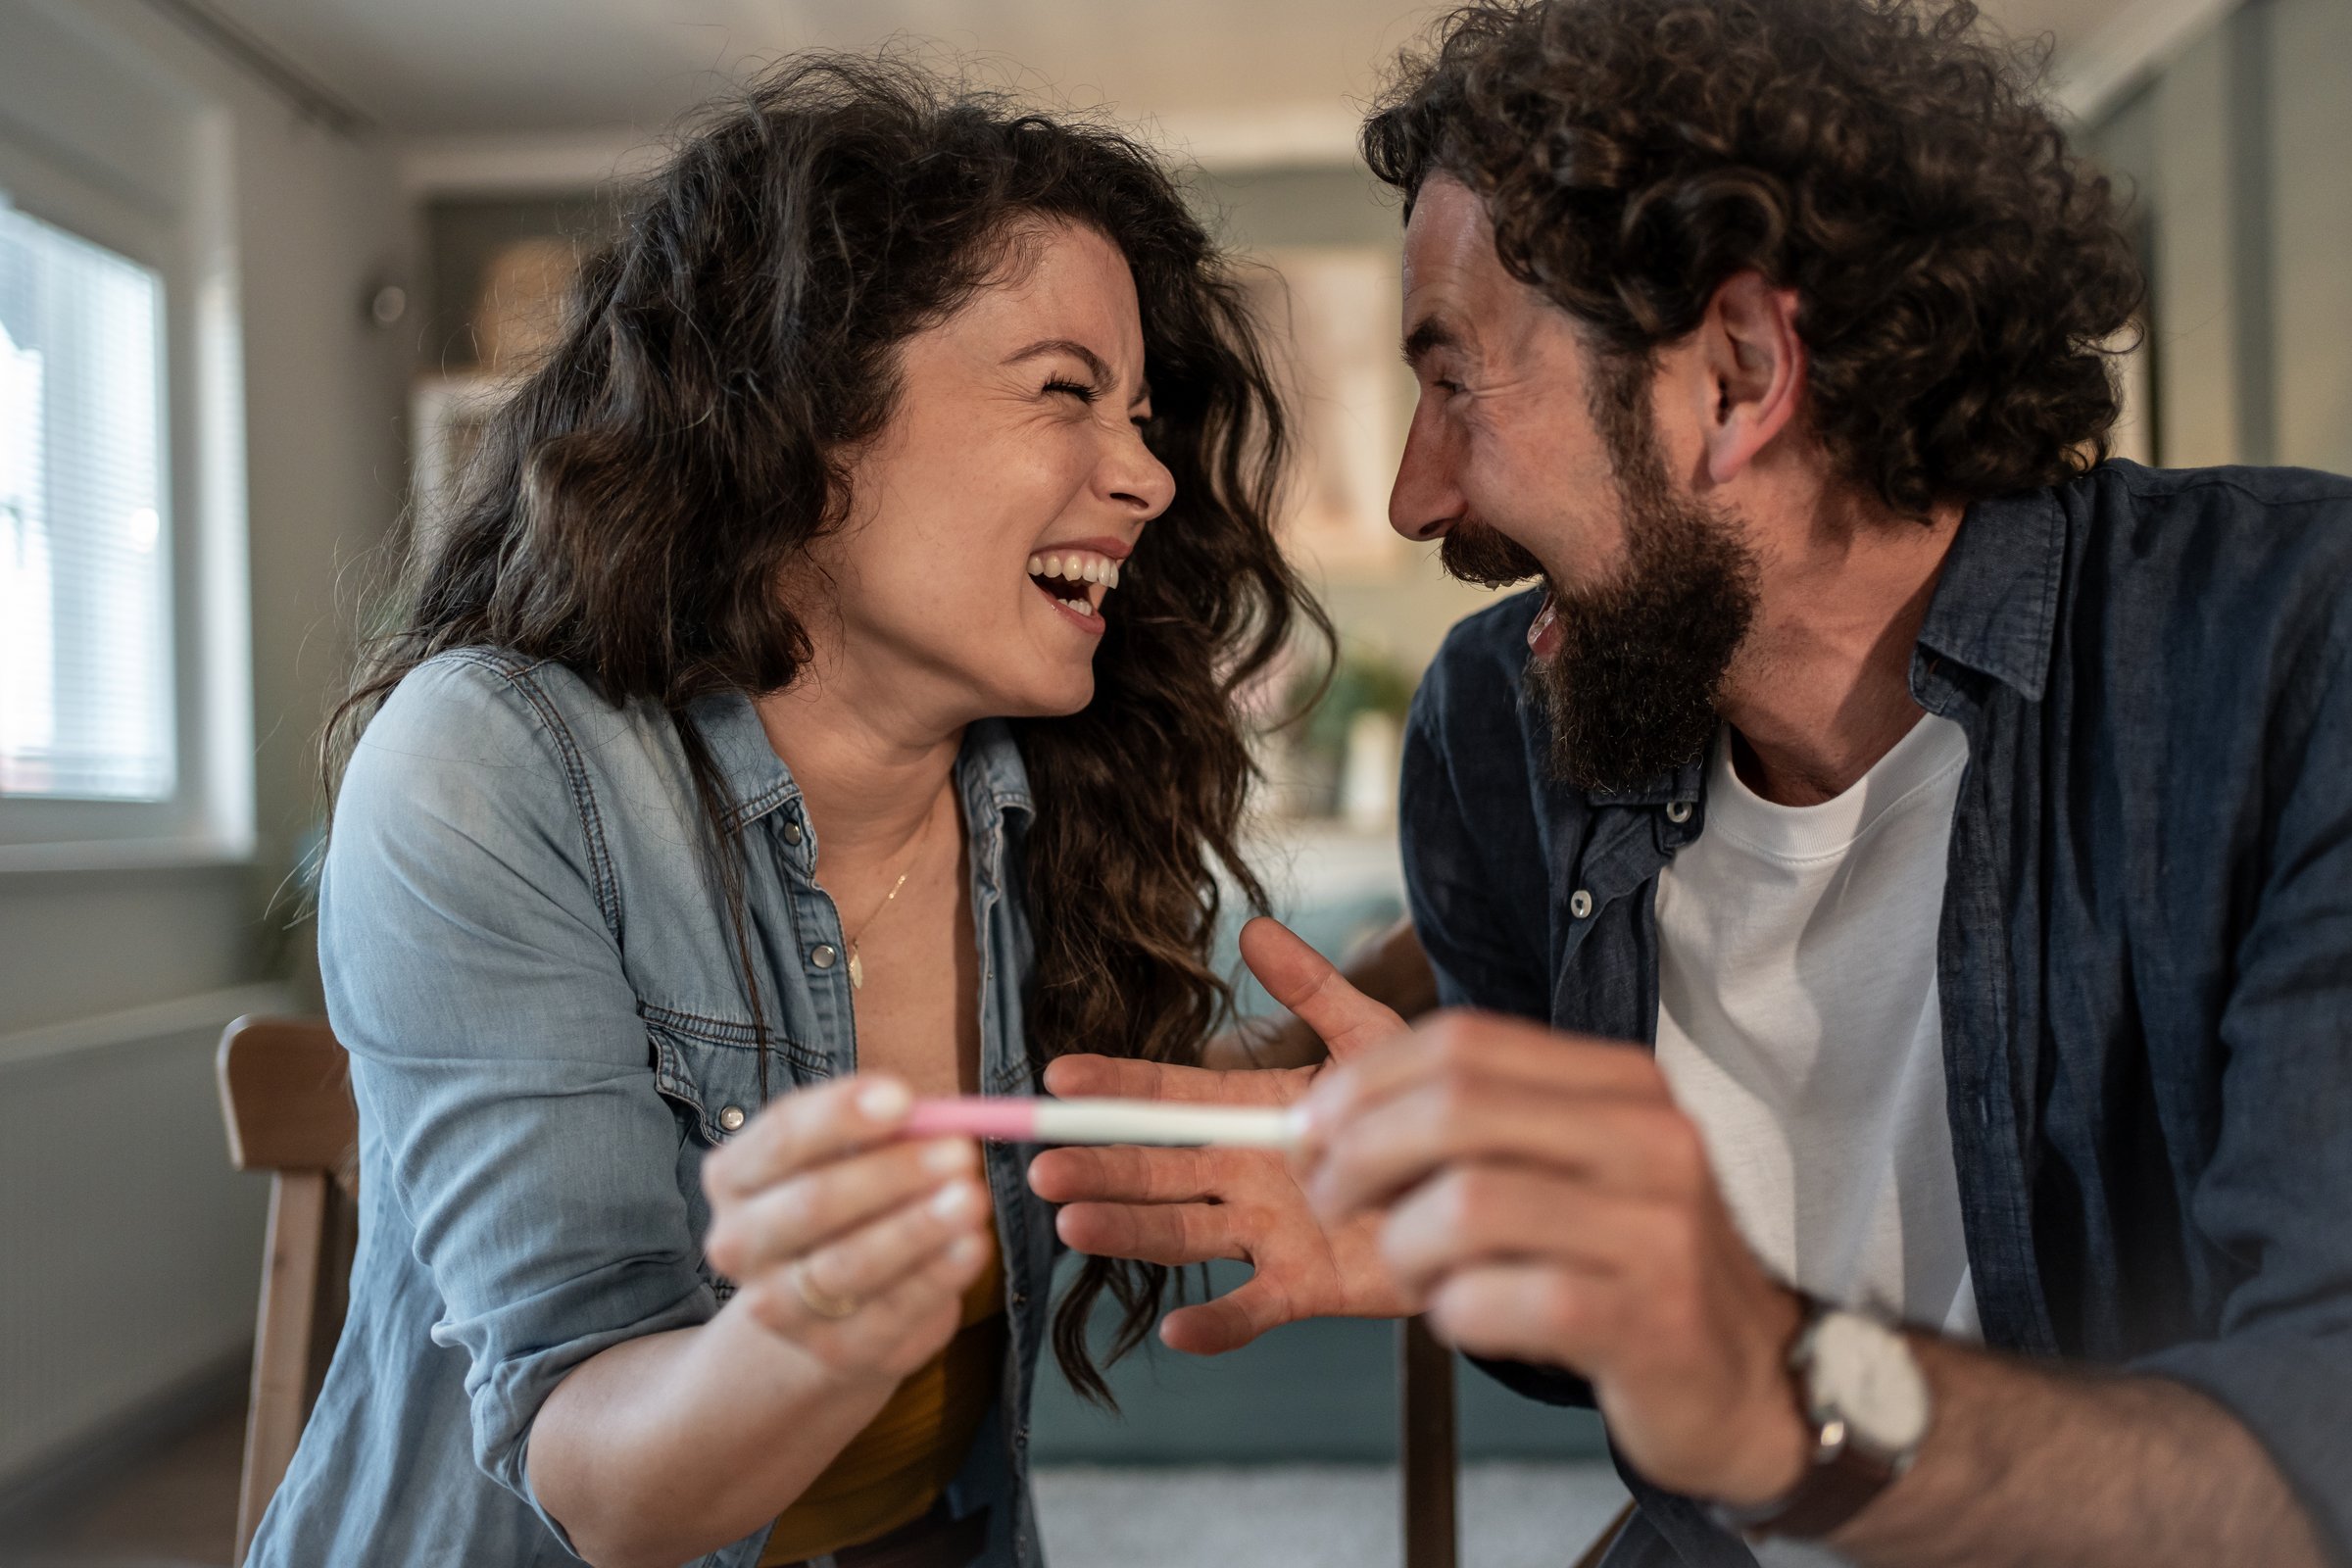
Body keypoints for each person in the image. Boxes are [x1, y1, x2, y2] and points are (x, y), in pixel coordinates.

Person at [1036, 1, 2352, 1564]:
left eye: (1455, 380)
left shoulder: (2290, 658)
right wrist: (1490, 1246)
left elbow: (2308, 1465)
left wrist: (1784, 1389)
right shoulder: (1501, 729)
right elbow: (1611, 1370)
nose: (1412, 498)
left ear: (1737, 370)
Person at [261, 58, 1325, 1568]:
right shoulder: (490, 767)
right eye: (1066, 393)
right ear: (812, 416)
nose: (1148, 476)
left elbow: (1104, 1109)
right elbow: (599, 1478)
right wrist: (810, 1339)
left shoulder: (1037, 793)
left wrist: (1397, 1022)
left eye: (1144, 415)